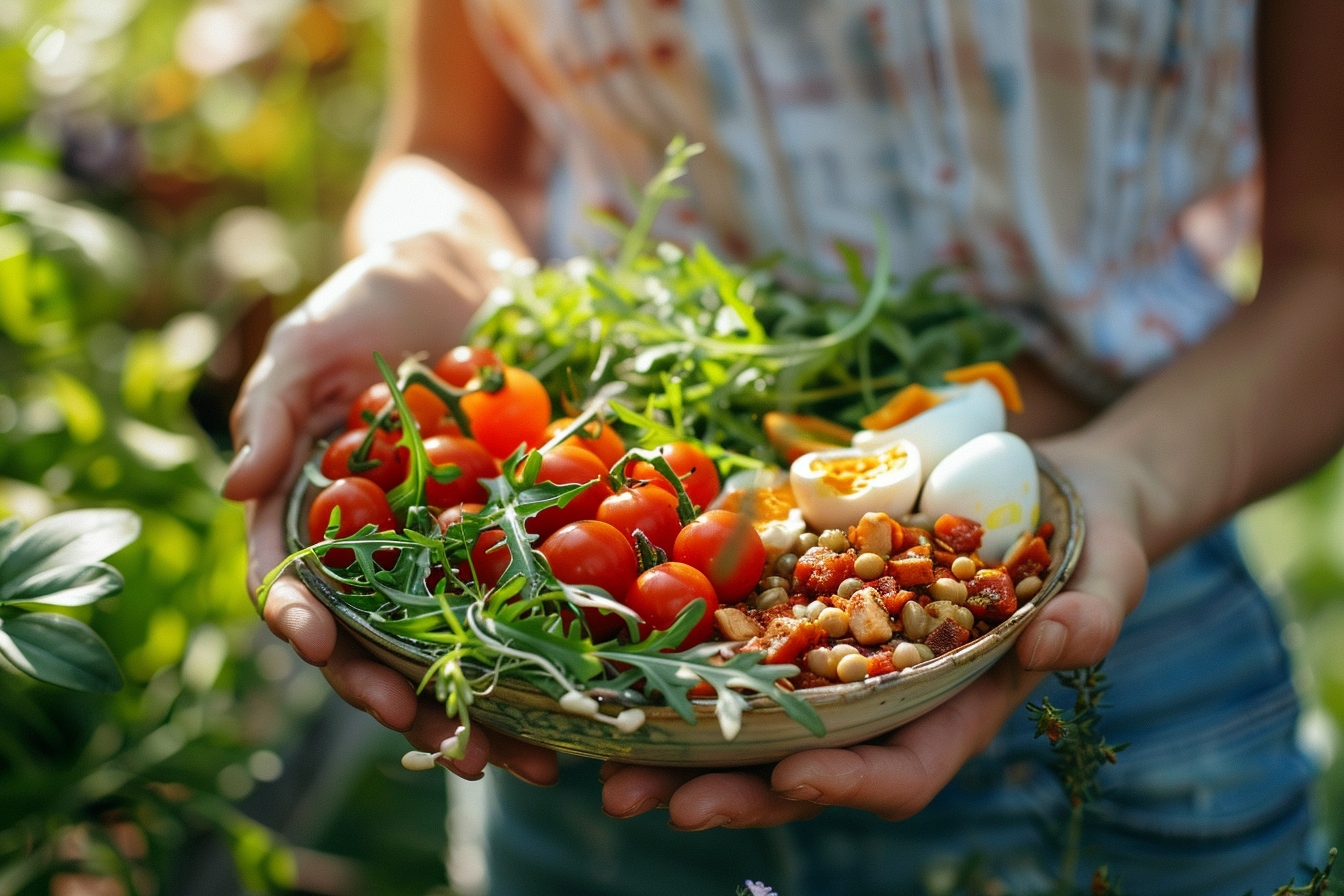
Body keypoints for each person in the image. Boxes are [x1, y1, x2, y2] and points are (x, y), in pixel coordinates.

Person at [223, 1, 1344, 893]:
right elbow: (452, 149)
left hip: (1130, 665)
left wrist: (1131, 479)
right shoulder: (659, 546)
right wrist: (432, 260)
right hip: (584, 700)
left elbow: (1327, 260)